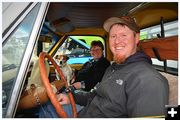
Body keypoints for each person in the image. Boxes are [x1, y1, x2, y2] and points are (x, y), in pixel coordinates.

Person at [39, 16, 169, 118]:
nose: (117, 41)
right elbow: (94, 95)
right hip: (86, 111)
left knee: (45, 108)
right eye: (113, 36)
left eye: (124, 35)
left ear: (136, 38)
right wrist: (70, 97)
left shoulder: (147, 80)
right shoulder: (114, 68)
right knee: (47, 105)